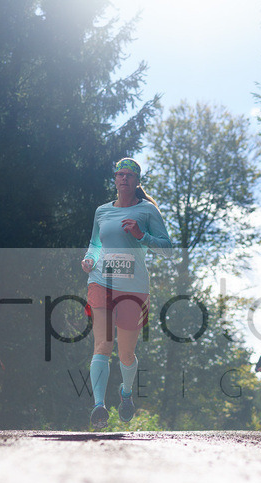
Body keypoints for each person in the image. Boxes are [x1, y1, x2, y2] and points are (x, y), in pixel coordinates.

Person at [81, 158, 172, 429]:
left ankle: (126, 393)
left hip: (133, 288)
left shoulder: (147, 211)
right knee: (102, 345)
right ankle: (99, 406)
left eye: (128, 176)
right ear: (115, 179)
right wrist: (89, 259)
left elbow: (166, 248)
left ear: (136, 181)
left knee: (126, 354)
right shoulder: (102, 211)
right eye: (119, 175)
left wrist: (141, 235)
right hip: (101, 283)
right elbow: (95, 243)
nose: (123, 179)